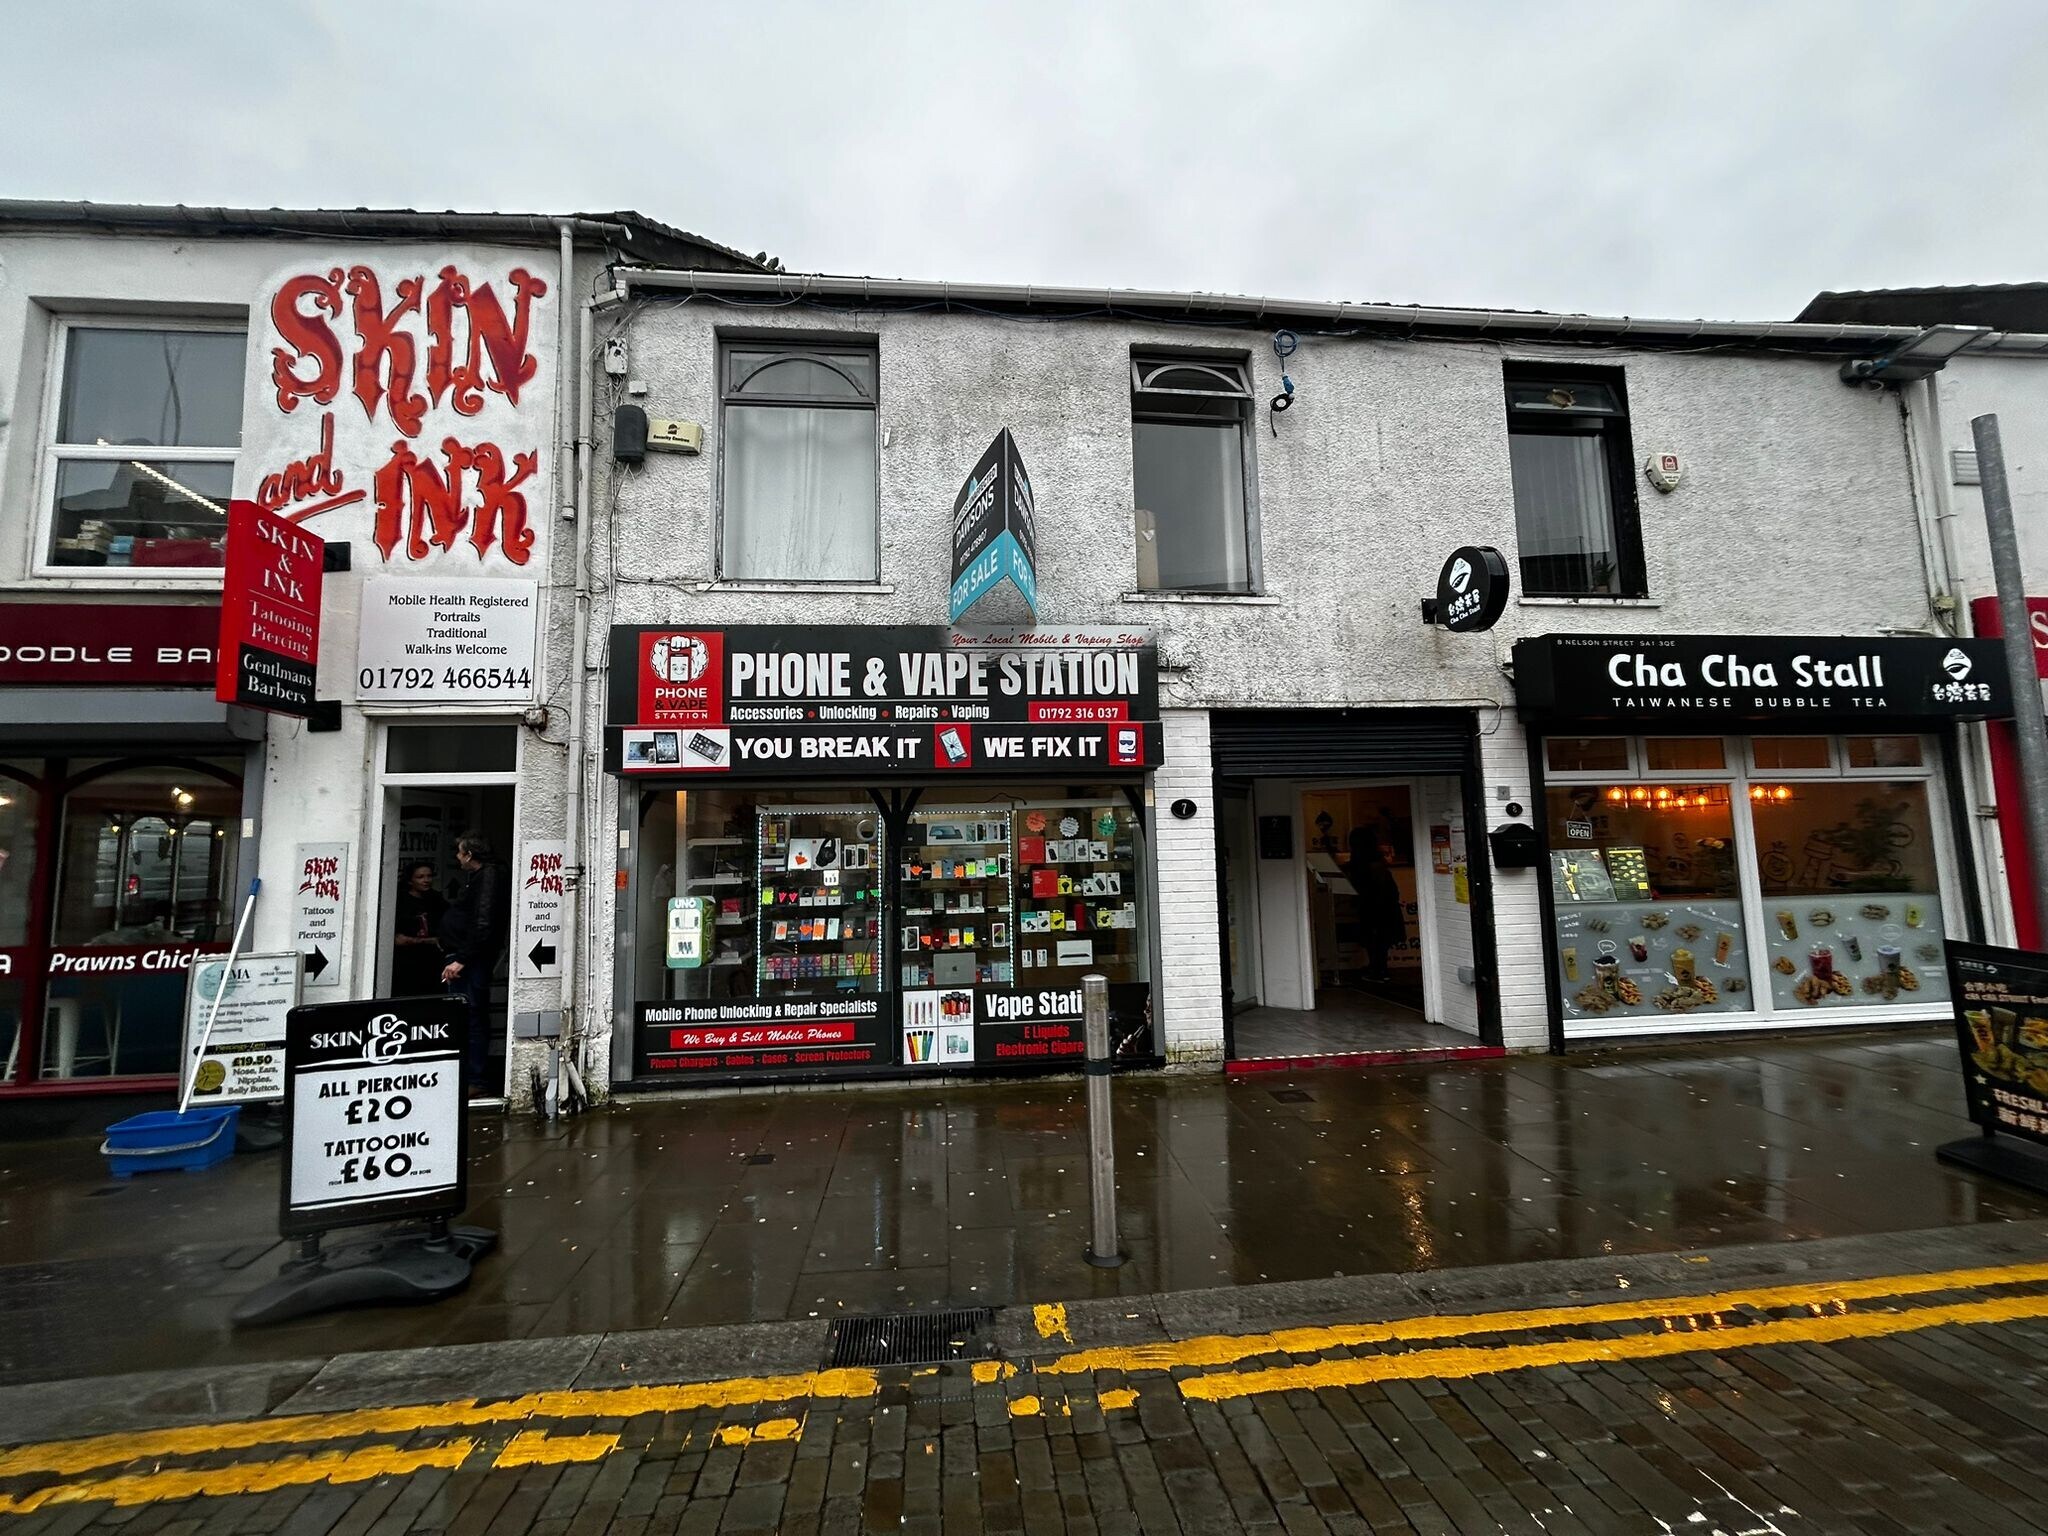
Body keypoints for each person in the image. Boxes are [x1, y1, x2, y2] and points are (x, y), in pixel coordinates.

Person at [439, 831, 510, 1095]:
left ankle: (475, 1079)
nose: (458, 858)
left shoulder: (487, 876)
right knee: (468, 1014)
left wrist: (461, 959)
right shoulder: (483, 876)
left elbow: (483, 921)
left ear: (470, 854)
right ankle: (471, 1076)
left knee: (469, 1014)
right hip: (467, 955)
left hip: (470, 959)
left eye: (460, 852)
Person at [1347, 827, 1406, 984]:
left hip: (1374, 907)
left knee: (1374, 940)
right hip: (1384, 907)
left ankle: (1378, 970)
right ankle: (1379, 969)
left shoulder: (1363, 863)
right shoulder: (1377, 861)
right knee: (1380, 941)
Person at [391, 861, 447, 996]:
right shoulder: (399, 901)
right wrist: (430, 941)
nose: (426, 880)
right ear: (410, 880)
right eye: (420, 877)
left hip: (432, 962)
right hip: (406, 963)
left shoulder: (437, 900)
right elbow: (398, 939)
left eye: (429, 876)